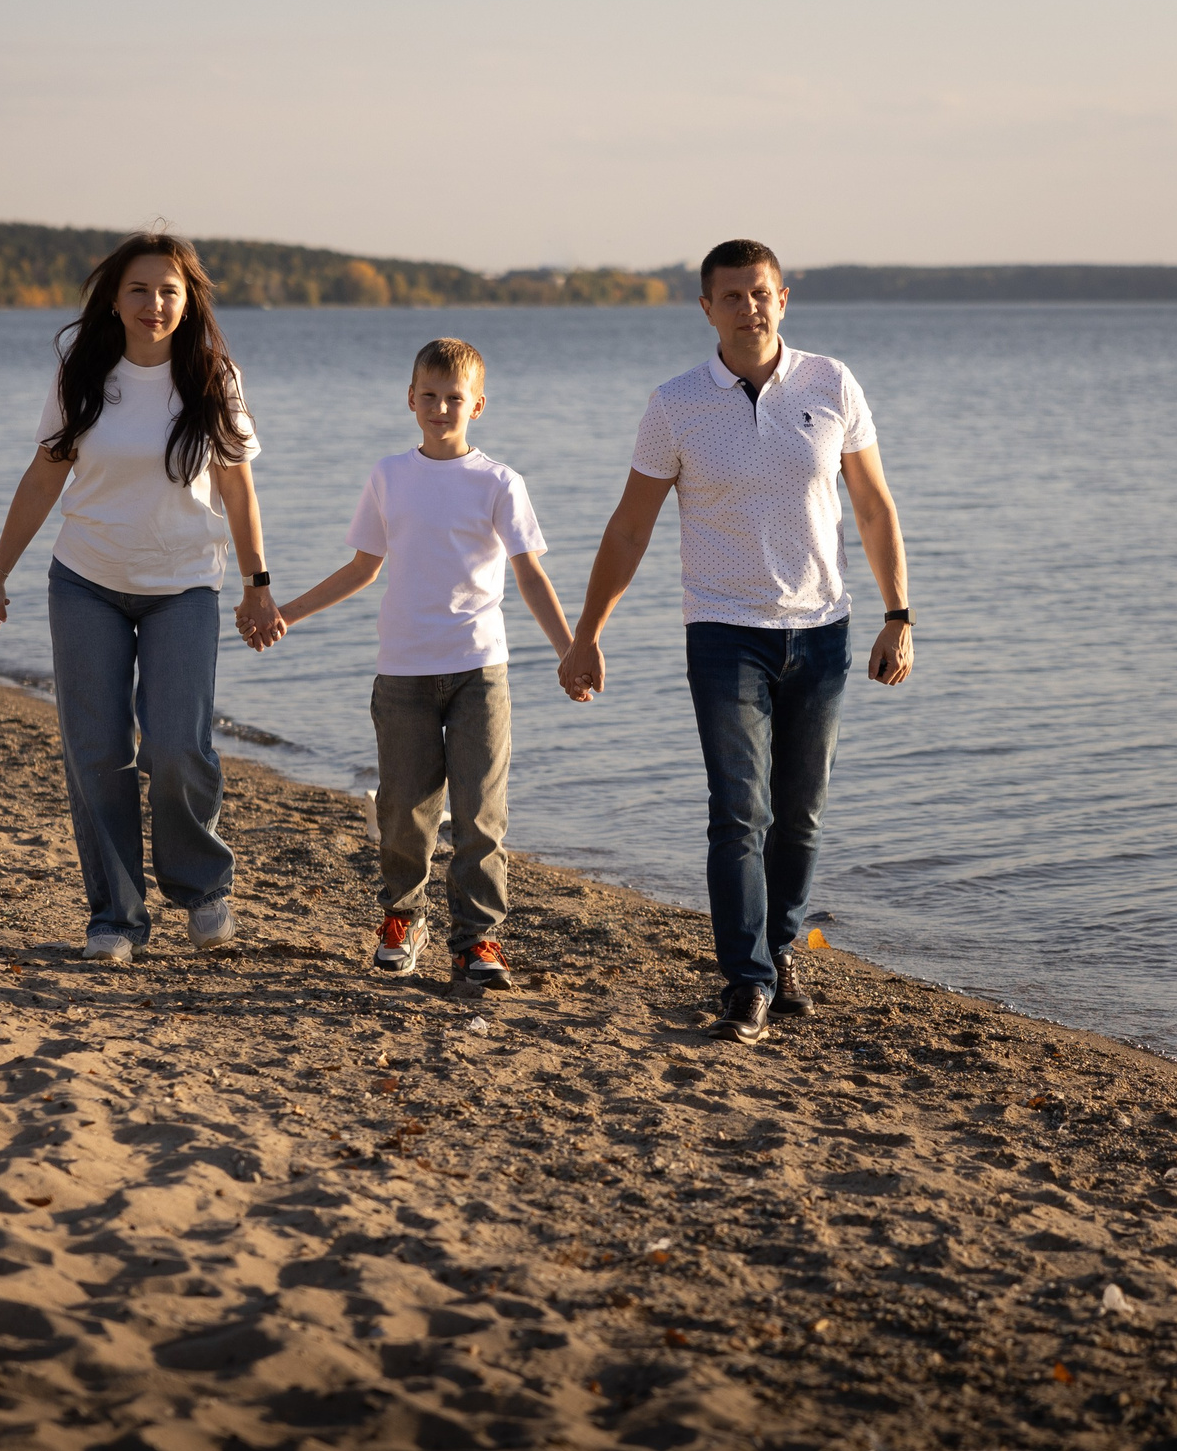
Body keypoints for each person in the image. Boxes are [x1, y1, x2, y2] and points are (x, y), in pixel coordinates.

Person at [559, 238, 913, 1044]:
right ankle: (747, 980)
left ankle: (782, 947)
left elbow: (874, 506)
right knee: (736, 812)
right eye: (733, 296)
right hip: (724, 634)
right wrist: (587, 634)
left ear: (783, 298)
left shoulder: (831, 383)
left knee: (803, 814)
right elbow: (629, 529)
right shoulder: (676, 405)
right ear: (706, 309)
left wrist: (900, 614)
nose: (750, 307)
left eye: (762, 293)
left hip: (822, 629)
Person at [0, 233, 284, 964]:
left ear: (188, 299)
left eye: (169, 290)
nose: (154, 304)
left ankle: (202, 889)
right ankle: (116, 914)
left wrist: (257, 584)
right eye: (140, 289)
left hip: (184, 588)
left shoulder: (211, 375)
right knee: (98, 752)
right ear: (115, 296)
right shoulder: (82, 372)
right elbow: (44, 478)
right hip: (85, 582)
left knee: (177, 746)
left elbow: (237, 485)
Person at [273, 339, 573, 989]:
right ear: (411, 400)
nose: (441, 407)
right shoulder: (389, 475)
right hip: (403, 673)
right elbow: (362, 566)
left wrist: (571, 648)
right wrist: (289, 612)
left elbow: (530, 575)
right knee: (404, 811)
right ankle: (403, 920)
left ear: (478, 405)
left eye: (454, 398)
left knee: (479, 815)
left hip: (479, 672)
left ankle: (477, 942)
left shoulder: (499, 482)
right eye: (429, 396)